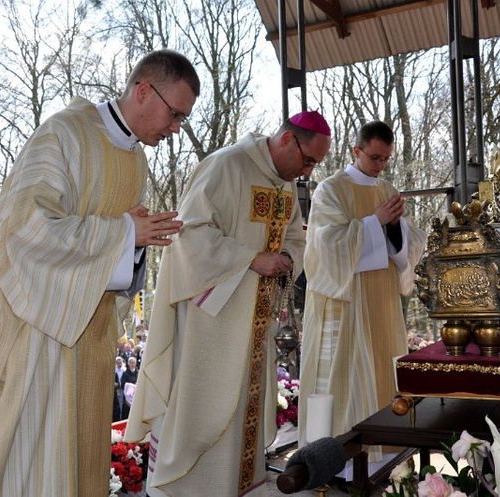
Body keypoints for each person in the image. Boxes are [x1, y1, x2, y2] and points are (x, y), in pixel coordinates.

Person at [0, 49, 200, 497]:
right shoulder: (64, 134)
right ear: (144, 90)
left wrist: (135, 241)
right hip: (34, 329)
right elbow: (22, 228)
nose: (175, 129)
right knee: (24, 460)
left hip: (88, 337)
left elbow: (121, 250)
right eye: (175, 114)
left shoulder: (136, 160)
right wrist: (125, 233)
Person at [125, 110, 331, 496]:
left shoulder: (285, 185)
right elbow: (190, 232)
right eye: (307, 160)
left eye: (314, 165)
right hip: (212, 321)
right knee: (202, 409)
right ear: (287, 139)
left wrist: (286, 256)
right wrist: (251, 259)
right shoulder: (225, 165)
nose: (306, 172)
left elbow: (296, 239)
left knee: (242, 419)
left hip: (255, 322)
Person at [298, 121, 426, 462]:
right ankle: (337, 461)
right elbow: (324, 244)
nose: (380, 166)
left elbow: (406, 245)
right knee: (347, 373)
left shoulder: (388, 190)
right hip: (347, 301)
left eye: (386, 159)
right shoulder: (331, 190)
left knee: (383, 368)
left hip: (381, 299)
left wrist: (395, 227)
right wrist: (374, 222)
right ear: (356, 151)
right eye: (374, 157)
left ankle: (386, 454)